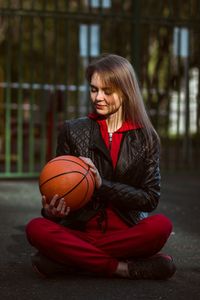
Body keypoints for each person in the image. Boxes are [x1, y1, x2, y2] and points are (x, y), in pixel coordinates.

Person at [26, 53, 176, 280]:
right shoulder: (72, 130)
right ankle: (122, 268)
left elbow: (150, 198)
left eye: (107, 91)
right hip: (80, 231)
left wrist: (101, 184)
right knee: (36, 228)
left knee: (161, 226)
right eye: (94, 89)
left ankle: (72, 261)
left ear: (126, 92)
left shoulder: (146, 138)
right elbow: (60, 188)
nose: (98, 97)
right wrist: (52, 212)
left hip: (127, 234)